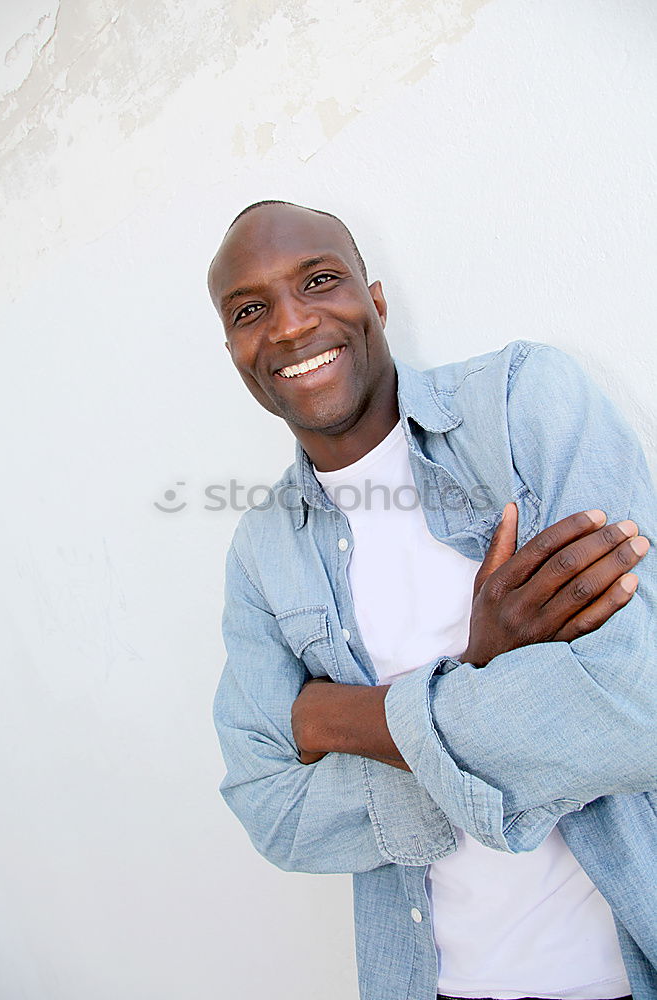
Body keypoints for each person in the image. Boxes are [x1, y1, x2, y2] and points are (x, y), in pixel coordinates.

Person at [207, 200, 657, 1000]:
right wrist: (485, 669)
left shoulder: (523, 404)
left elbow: (637, 707)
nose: (286, 325)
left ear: (374, 301)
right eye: (248, 310)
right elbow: (270, 809)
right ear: (235, 350)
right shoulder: (263, 551)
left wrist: (341, 718)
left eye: (318, 280)